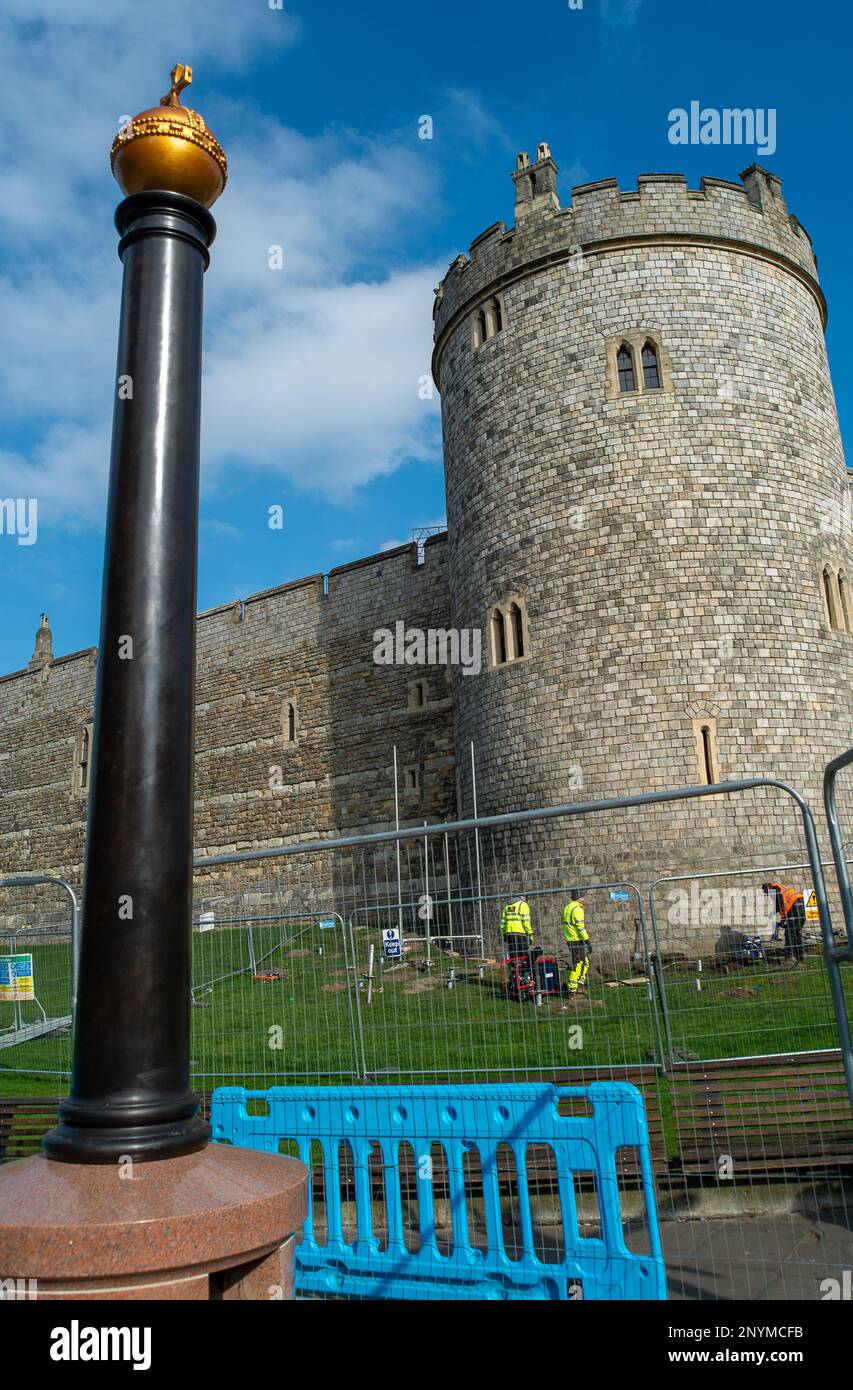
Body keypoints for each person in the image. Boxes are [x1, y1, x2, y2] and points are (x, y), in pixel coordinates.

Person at [761, 881, 806, 965]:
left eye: (766, 893)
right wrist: (783, 919)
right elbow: (782, 906)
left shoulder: (774, 888)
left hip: (795, 907)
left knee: (789, 932)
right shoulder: (780, 888)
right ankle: (800, 954)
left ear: (768, 889)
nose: (768, 895)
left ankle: (790, 957)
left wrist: (775, 915)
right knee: (796, 931)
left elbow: (780, 904)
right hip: (800, 905)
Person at [562, 891, 590, 993]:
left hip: (570, 940)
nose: (584, 900)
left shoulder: (567, 908)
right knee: (579, 964)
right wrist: (587, 940)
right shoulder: (577, 909)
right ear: (579, 898)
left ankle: (579, 985)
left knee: (584, 963)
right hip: (577, 941)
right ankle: (573, 989)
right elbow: (580, 927)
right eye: (583, 897)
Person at [501, 895, 533, 960]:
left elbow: (503, 923)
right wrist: (530, 934)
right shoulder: (523, 905)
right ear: (523, 897)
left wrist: (504, 934)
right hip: (520, 933)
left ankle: (514, 969)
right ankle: (523, 969)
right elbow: (526, 921)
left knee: (513, 956)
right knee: (523, 956)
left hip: (509, 934)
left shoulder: (507, 906)